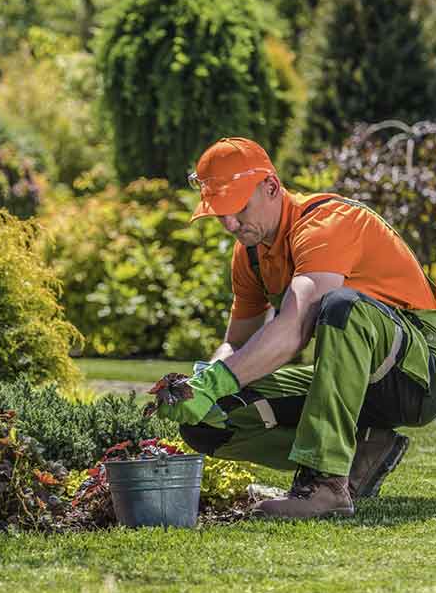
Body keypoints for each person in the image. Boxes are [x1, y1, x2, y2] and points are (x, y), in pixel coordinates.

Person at [154, 137, 436, 517]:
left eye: (237, 208)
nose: (229, 223)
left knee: (340, 306)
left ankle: (325, 484)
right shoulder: (250, 254)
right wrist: (199, 385)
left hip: (417, 372)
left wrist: (217, 381)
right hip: (351, 378)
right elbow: (235, 345)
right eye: (218, 213)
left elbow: (294, 327)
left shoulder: (326, 224)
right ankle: (365, 451)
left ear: (271, 186)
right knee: (209, 422)